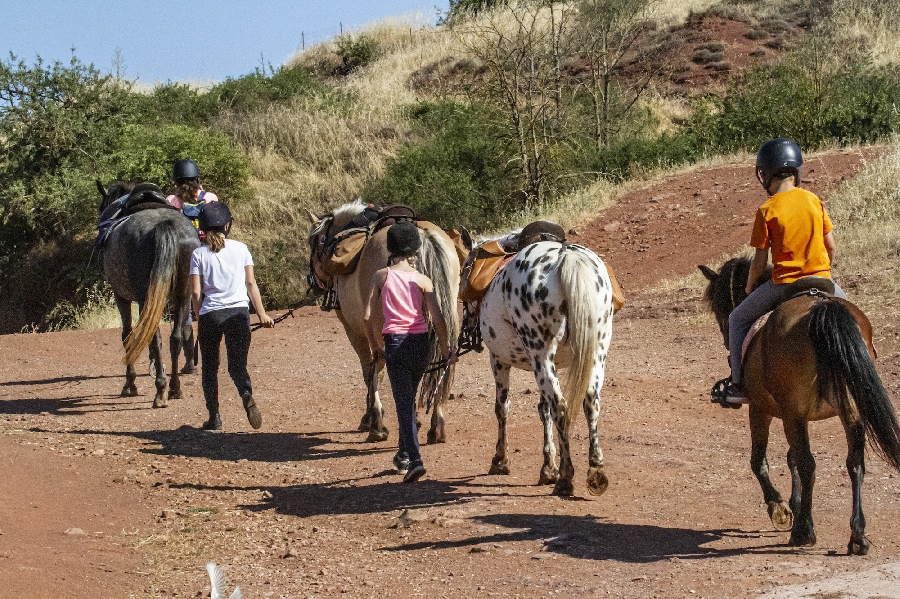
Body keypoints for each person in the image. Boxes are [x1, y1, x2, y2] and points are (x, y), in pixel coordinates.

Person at [721, 138, 847, 405]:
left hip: (786, 284)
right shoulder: (814, 201)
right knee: (850, 320)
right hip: (823, 281)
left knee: (737, 320)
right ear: (796, 172)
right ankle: (864, 364)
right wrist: (822, 270)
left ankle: (737, 385)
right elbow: (831, 246)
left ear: (764, 174)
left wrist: (750, 285)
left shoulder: (768, 210)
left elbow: (759, 260)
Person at [364, 221, 456, 483]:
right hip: (421, 345)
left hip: (395, 343)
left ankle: (414, 459)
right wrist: (447, 346)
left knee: (404, 404)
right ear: (415, 249)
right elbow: (438, 318)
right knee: (409, 397)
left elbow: (367, 316)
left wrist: (374, 345)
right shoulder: (423, 280)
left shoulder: (380, 276)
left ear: (390, 249)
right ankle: (404, 452)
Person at [190, 202, 274, 430]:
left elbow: (196, 292)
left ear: (203, 227)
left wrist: (199, 318)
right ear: (227, 226)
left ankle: (214, 416)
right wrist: (262, 314)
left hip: (210, 315)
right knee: (237, 366)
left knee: (209, 367)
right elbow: (250, 284)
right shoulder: (241, 248)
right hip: (238, 313)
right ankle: (246, 393)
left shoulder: (198, 254)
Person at [167, 158, 219, 239]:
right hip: (207, 242)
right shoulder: (210, 197)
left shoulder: (171, 200)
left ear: (176, 182)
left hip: (181, 240)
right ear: (197, 180)